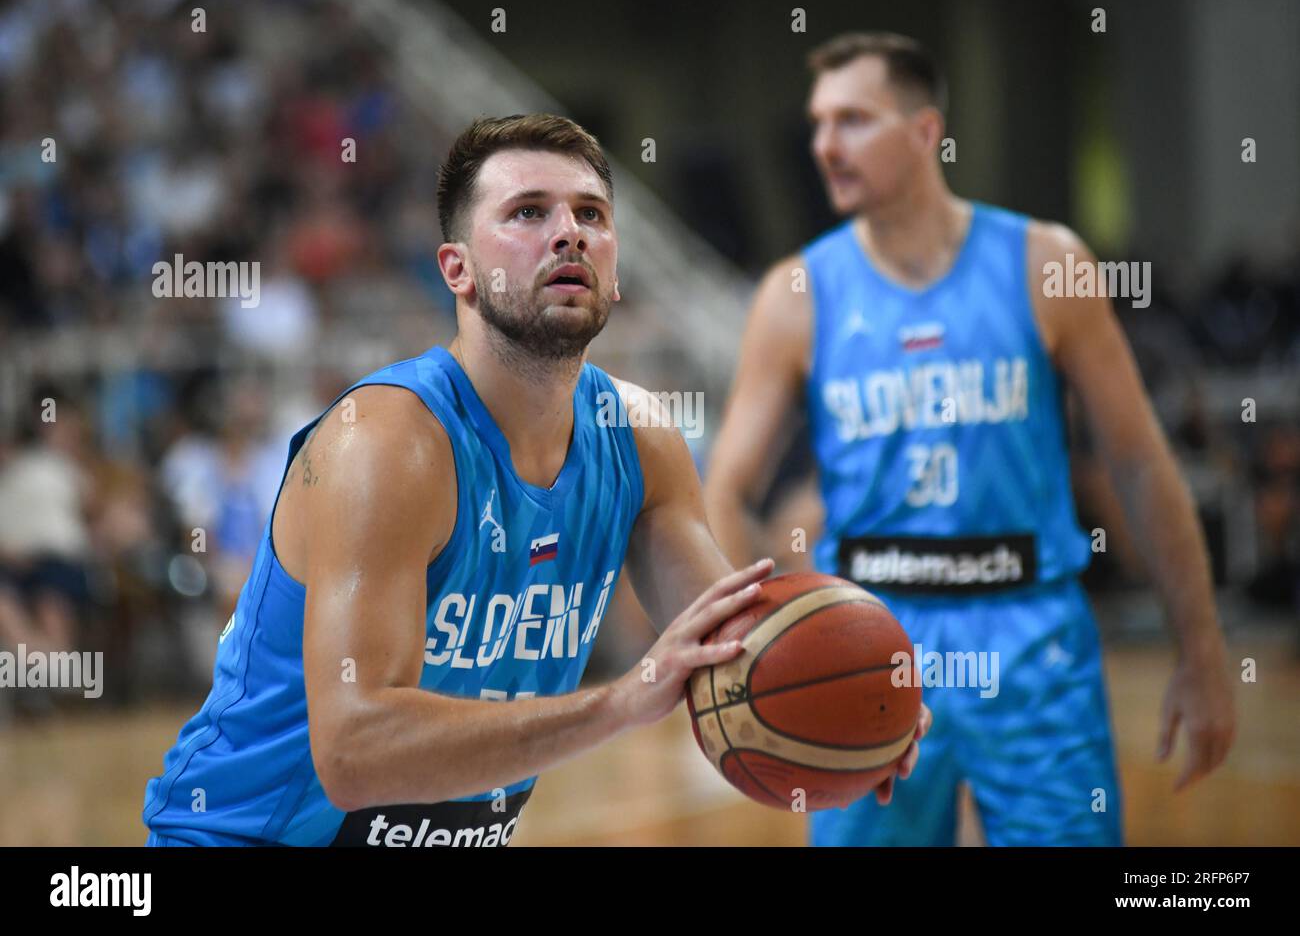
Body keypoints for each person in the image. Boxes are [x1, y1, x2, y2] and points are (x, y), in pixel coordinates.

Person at [142, 113, 931, 847]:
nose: (568, 234)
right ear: (458, 269)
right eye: (527, 213)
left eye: (591, 215)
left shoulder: (639, 437)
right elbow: (356, 752)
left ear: (616, 270)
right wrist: (619, 703)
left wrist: (863, 708)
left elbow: (735, 651)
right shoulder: (387, 444)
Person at [703, 33, 1234, 846]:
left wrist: (1200, 650)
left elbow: (1137, 460)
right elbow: (727, 489)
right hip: (866, 639)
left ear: (924, 132)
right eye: (818, 123)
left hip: (1031, 635)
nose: (824, 146)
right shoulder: (797, 294)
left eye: (852, 120)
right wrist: (752, 643)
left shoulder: (1046, 264)